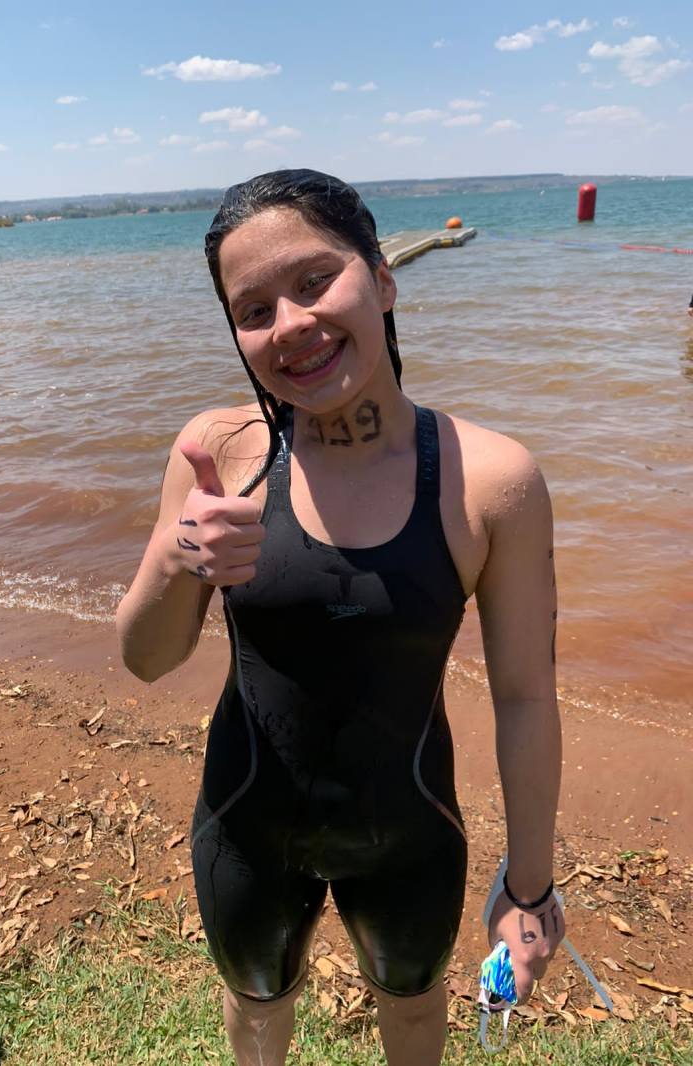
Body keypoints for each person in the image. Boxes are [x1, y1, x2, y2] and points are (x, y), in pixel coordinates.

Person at [116, 169, 564, 1066]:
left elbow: (523, 695)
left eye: (316, 281)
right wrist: (176, 555)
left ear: (384, 279)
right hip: (245, 825)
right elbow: (146, 659)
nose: (290, 324)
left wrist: (529, 888)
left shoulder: (491, 481)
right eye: (254, 309)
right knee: (257, 1009)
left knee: (414, 1008)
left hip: (410, 833)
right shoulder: (218, 456)